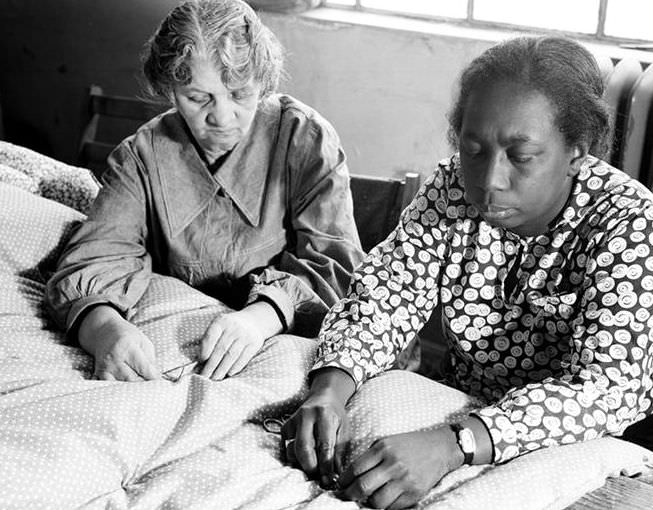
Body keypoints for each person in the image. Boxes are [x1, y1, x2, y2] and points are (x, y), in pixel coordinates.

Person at [282, 35, 653, 509]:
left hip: (579, 443)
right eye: (473, 149)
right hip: (455, 404)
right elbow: (384, 298)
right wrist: (331, 388)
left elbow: (604, 388)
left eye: (521, 157)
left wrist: (455, 444)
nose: (489, 180)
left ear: (577, 153)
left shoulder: (627, 220)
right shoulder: (451, 188)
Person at [46, 0, 365, 382]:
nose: (222, 117)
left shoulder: (303, 139)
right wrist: (104, 330)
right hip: (183, 342)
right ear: (170, 88)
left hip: (279, 339)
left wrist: (260, 318)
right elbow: (94, 259)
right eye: (198, 98)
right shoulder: (141, 156)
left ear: (264, 82)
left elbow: (339, 268)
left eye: (241, 94)